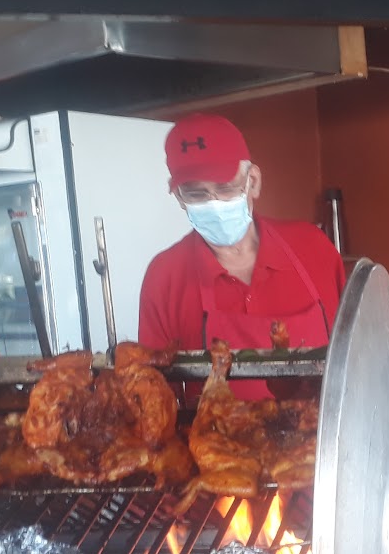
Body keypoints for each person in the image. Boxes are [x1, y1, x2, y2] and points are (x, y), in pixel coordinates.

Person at [138, 113, 346, 399]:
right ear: (179, 198)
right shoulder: (165, 277)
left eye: (225, 188)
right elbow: (154, 394)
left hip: (322, 428)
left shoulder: (313, 248)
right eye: (196, 194)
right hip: (213, 429)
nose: (214, 204)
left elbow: (356, 356)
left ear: (254, 181)